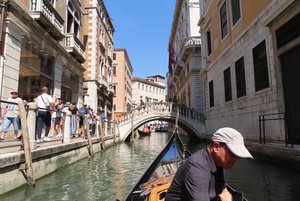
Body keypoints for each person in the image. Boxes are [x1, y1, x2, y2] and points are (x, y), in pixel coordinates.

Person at [165, 127, 253, 201]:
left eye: (238, 156)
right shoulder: (197, 169)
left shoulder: (218, 162)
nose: (235, 159)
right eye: (232, 154)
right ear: (216, 147)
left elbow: (223, 190)